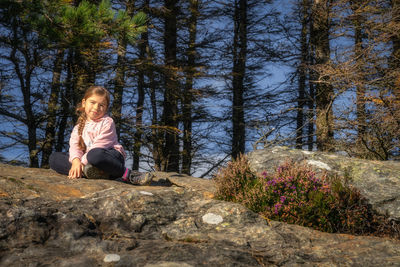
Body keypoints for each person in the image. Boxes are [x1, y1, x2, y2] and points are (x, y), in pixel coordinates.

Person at [49, 85, 154, 185]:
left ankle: (127, 174)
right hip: (88, 161)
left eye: (101, 105)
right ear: (84, 103)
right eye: (92, 102)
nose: (96, 107)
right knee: (54, 158)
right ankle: (90, 172)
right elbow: (75, 147)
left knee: (95, 155)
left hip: (109, 157)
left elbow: (100, 145)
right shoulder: (77, 128)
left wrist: (82, 162)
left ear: (106, 108)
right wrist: (76, 161)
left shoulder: (107, 122)